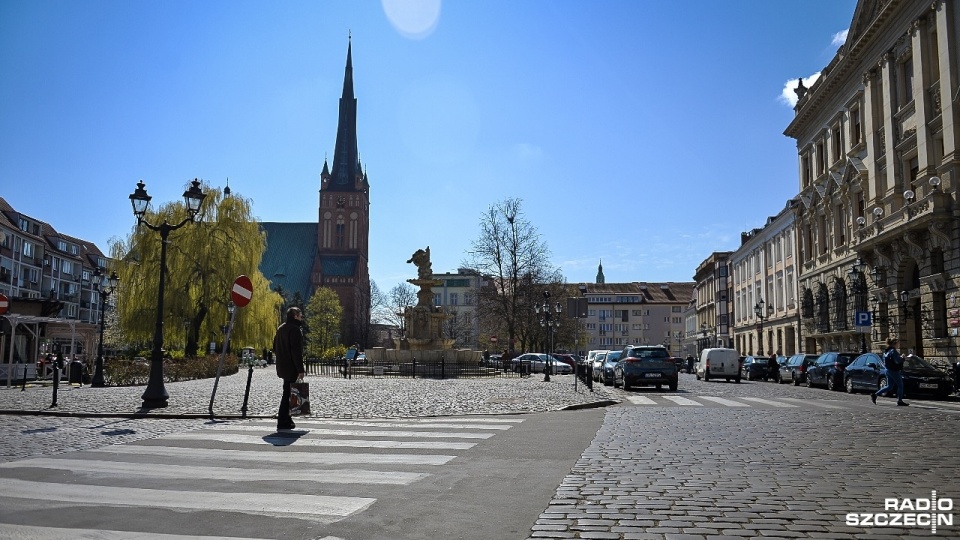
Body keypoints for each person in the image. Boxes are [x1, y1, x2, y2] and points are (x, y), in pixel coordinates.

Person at [273, 307, 305, 429]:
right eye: (300, 314)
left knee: (288, 392)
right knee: (287, 394)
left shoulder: (281, 328)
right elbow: (296, 352)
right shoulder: (295, 330)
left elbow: (275, 347)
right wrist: (300, 369)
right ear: (295, 316)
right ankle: (282, 420)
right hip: (291, 367)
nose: (301, 316)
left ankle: (287, 419)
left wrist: (282, 358)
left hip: (282, 366)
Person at [872, 337, 907, 406]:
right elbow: (897, 361)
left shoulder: (886, 351)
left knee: (889, 386)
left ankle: (875, 394)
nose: (899, 345)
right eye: (898, 343)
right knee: (900, 385)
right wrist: (903, 357)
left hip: (887, 370)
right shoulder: (893, 351)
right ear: (895, 343)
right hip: (894, 370)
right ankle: (900, 400)